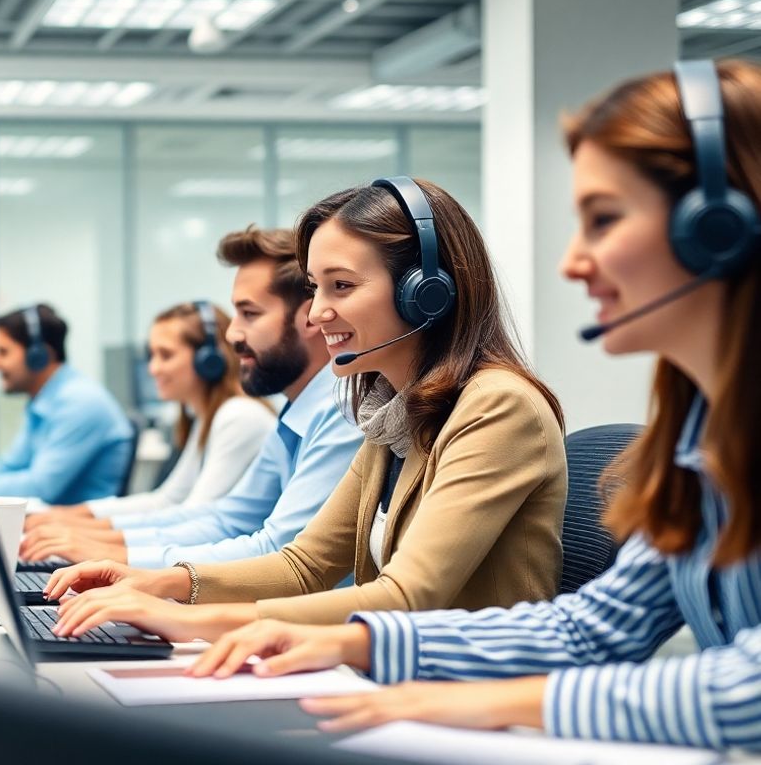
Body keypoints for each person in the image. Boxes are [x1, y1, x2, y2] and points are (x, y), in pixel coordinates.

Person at [184, 60, 761, 751]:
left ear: (720, 227)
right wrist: (359, 648)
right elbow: (592, 627)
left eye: (604, 220)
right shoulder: (698, 427)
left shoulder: (499, 406)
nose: (572, 262)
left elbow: (744, 690)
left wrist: (478, 702)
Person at [44, 177, 566, 641]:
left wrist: (185, 618)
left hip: (476, 705)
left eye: (341, 286)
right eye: (316, 288)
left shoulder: (497, 406)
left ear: (426, 294)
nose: (317, 313)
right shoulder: (392, 414)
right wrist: (162, 581)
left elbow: (407, 598)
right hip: (399, 682)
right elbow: (306, 564)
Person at [21, 227, 362, 566]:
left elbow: (279, 551)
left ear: (310, 318)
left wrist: (117, 554)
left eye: (250, 314)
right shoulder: (294, 414)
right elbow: (227, 519)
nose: (232, 333)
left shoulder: (340, 411)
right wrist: (105, 545)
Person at [24, 301, 275, 535]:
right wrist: (72, 516)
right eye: (151, 355)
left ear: (209, 361)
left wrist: (89, 532)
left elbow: (194, 516)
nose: (153, 369)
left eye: (165, 355)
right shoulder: (210, 417)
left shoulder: (239, 416)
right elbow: (168, 499)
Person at [0, 304, 133, 505]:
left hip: (77, 529)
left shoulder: (80, 403)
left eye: (3, 352)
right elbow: (12, 466)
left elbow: (40, 489)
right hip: (48, 524)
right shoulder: (44, 401)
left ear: (39, 356)